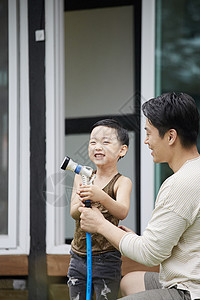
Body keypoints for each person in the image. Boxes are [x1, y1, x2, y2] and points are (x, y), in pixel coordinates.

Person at [79, 92, 200, 300]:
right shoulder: (194, 171)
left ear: (170, 137)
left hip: (191, 290)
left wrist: (100, 224)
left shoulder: (181, 184)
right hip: (187, 274)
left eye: (149, 133)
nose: (145, 141)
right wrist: (134, 239)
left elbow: (149, 254)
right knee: (130, 281)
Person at [67, 119, 132, 300]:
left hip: (107, 257)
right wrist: (82, 203)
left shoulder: (122, 182)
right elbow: (73, 213)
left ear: (122, 150)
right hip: (79, 255)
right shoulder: (81, 177)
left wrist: (101, 196)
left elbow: (122, 211)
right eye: (93, 142)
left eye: (105, 142)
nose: (97, 147)